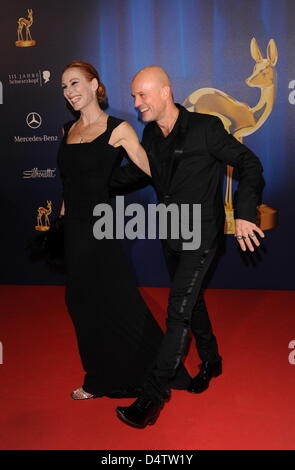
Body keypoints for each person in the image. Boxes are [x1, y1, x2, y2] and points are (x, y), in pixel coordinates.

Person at [109, 66, 265, 428]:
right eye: (134, 96)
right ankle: (212, 359)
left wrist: (244, 212)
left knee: (177, 309)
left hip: (203, 234)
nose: (136, 103)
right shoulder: (150, 133)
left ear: (165, 92)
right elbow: (138, 174)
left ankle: (151, 396)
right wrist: (92, 184)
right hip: (171, 234)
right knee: (190, 303)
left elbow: (249, 163)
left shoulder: (205, 128)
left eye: (142, 95)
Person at [57, 61, 190, 400]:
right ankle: (99, 376)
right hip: (72, 230)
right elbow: (69, 182)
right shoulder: (66, 130)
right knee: (80, 303)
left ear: (93, 85)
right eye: (64, 87)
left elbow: (150, 169)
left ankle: (154, 369)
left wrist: (112, 185)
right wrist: (61, 216)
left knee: (119, 303)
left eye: (74, 83)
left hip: (101, 229)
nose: (69, 91)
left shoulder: (117, 129)